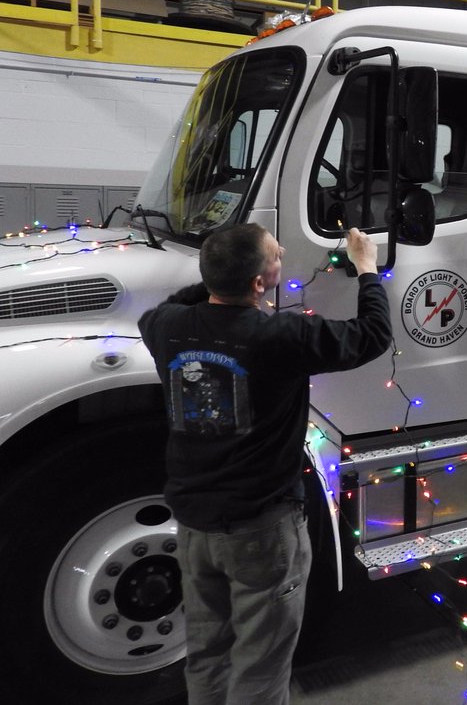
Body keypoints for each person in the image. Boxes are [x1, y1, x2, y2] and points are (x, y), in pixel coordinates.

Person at [138, 224, 391, 704]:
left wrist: (219, 279)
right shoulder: (281, 335)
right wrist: (366, 267)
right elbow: (372, 336)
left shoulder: (166, 327)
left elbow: (170, 305)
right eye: (276, 254)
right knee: (262, 665)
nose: (283, 254)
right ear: (260, 283)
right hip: (263, 530)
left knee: (207, 653)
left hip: (194, 527)